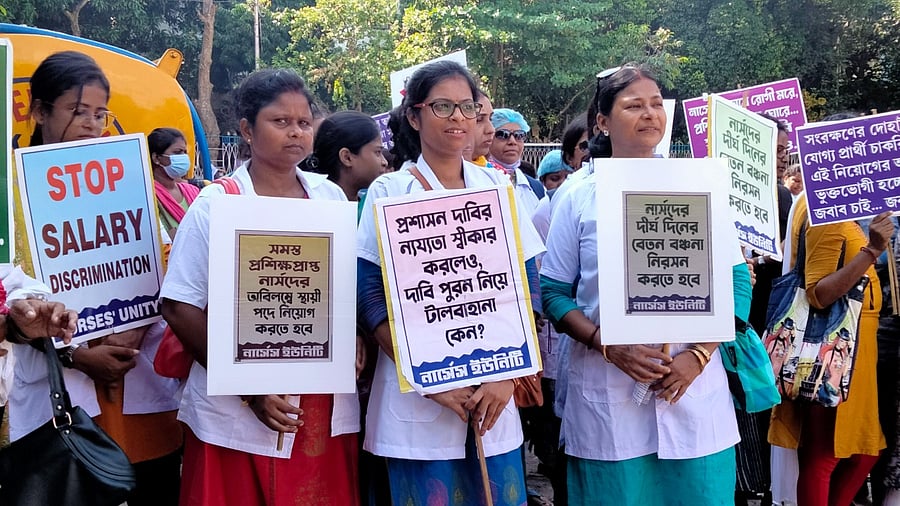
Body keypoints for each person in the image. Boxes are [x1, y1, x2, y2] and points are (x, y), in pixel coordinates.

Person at [540, 64, 740, 505]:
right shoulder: (578, 195)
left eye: (656, 104)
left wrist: (699, 355)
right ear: (603, 121)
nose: (650, 114)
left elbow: (736, 281)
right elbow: (552, 292)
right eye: (634, 106)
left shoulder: (698, 185)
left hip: (693, 397)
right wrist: (608, 345)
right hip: (609, 401)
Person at [160, 68, 360, 506]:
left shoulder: (329, 198)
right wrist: (248, 389)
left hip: (317, 402)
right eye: (280, 121)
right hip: (235, 410)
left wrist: (356, 336)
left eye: (303, 122)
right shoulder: (217, 202)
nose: (296, 132)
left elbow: (343, 287)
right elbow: (178, 304)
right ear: (247, 130)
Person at [357, 60, 544, 505]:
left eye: (467, 106)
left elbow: (528, 283)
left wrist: (510, 376)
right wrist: (430, 378)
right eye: (443, 106)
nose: (458, 117)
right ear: (414, 116)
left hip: (495, 393)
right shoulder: (390, 191)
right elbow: (369, 293)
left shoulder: (497, 186)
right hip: (419, 403)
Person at [10, 50, 183, 506]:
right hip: (61, 386)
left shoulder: (131, 179)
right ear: (40, 111)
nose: (91, 123)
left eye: (100, 113)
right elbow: (11, 295)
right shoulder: (13, 190)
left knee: (149, 482)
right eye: (77, 110)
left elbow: (162, 263)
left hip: (135, 372)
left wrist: (132, 331)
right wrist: (78, 355)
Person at [768, 189, 894, 505]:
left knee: (864, 451)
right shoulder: (825, 212)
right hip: (834, 347)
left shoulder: (843, 211)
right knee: (824, 453)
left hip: (857, 349)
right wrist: (872, 250)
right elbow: (819, 293)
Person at [300, 110, 388, 207]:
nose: (385, 162)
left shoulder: (374, 204)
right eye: (378, 152)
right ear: (347, 157)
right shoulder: (317, 208)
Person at [489, 107, 545, 213]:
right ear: (488, 138)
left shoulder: (536, 187)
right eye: (503, 134)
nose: (512, 141)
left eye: (519, 135)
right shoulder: (477, 181)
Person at [149, 127, 200, 239]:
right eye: (177, 152)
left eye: (184, 152)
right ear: (156, 158)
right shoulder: (150, 197)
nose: (183, 157)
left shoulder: (194, 192)